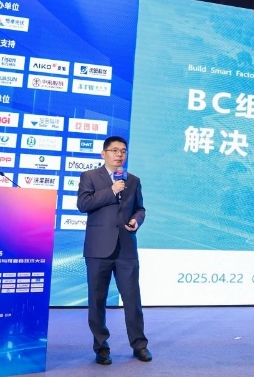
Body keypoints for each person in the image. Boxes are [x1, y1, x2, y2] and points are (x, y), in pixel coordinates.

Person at [77, 135, 152, 365]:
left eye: (123, 151)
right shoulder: (90, 176)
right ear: (104, 153)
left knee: (132, 299)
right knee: (97, 300)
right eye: (115, 150)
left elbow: (140, 208)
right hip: (98, 249)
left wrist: (137, 220)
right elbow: (83, 204)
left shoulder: (133, 180)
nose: (120, 154)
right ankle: (101, 347)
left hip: (126, 248)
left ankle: (139, 345)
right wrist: (111, 190)